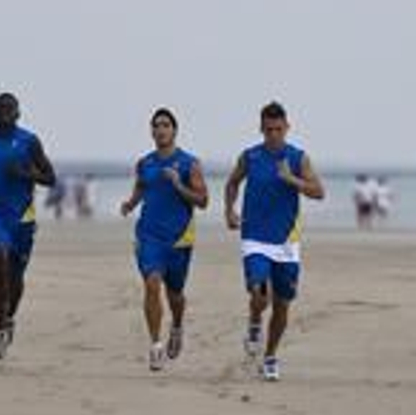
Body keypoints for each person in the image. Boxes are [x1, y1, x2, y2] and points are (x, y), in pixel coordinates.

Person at [223, 101, 325, 381]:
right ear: (261, 128)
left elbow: (319, 192)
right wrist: (229, 210)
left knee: (282, 304)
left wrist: (292, 179)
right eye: (268, 130)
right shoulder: (250, 156)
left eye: (278, 129)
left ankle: (270, 356)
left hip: (286, 242)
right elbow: (232, 183)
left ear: (287, 127)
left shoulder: (298, 158)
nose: (273, 135)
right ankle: (255, 321)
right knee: (258, 290)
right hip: (254, 237)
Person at [0, 93, 56, 360]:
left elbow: (50, 178)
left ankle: (10, 317)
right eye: (0, 108)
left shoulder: (29, 141)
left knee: (15, 277)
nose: (5, 112)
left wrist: (27, 174)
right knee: (0, 261)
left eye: (10, 109)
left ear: (18, 113)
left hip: (22, 218)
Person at [120, 108, 209, 371]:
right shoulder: (145, 163)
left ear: (174, 130)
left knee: (175, 295)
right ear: (152, 131)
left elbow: (203, 201)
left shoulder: (189, 163)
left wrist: (179, 185)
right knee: (151, 283)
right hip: (149, 235)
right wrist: (130, 203)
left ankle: (177, 326)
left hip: (179, 238)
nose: (161, 130)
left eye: (166, 125)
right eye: (156, 125)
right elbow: (141, 187)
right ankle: (156, 345)